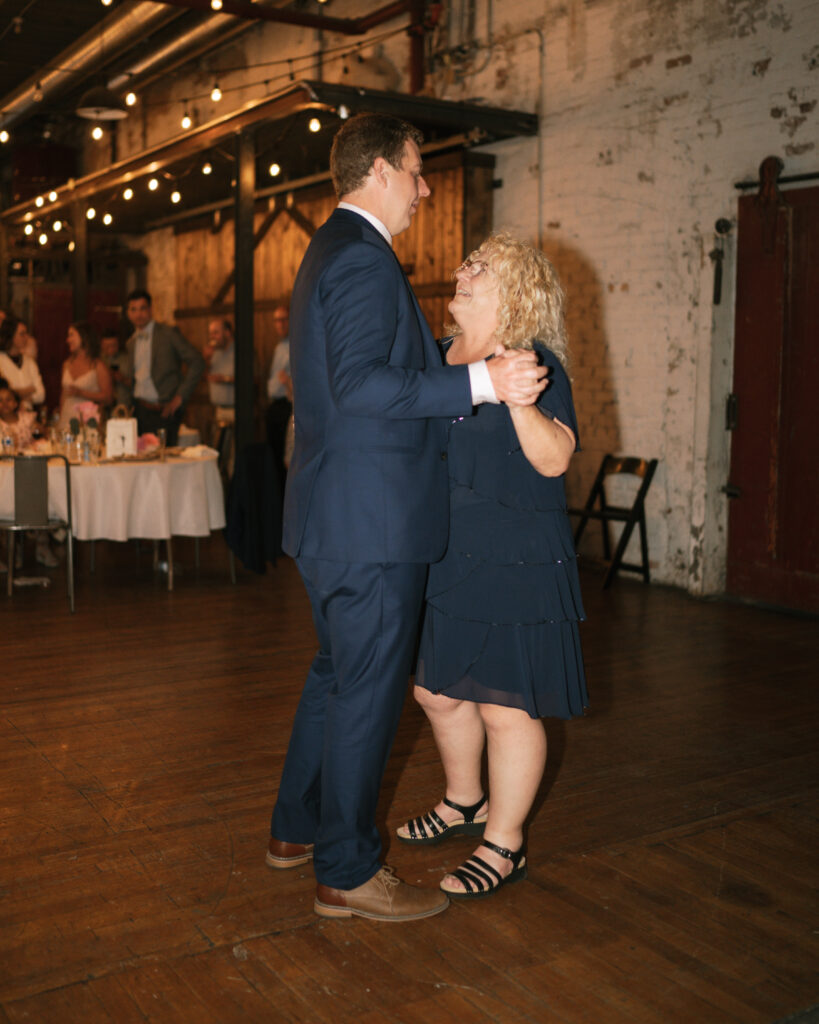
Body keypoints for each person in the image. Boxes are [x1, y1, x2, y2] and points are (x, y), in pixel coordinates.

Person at [267, 113, 548, 923]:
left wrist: (452, 362)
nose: (425, 188)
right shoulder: (361, 258)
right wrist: (481, 384)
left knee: (333, 679)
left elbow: (350, 380)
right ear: (382, 171)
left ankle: (294, 830)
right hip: (371, 527)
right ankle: (347, 872)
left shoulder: (332, 250)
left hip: (337, 515)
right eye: (419, 171)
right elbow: (359, 385)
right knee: (363, 695)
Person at [395, 233, 588, 899]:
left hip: (514, 555)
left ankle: (504, 843)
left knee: (506, 708)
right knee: (436, 691)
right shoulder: (439, 356)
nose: (460, 270)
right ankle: (463, 800)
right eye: (466, 262)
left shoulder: (533, 362)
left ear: (516, 288)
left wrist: (522, 404)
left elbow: (555, 459)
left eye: (479, 265)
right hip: (443, 549)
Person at [124, 289, 204, 446]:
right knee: (142, 464)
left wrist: (179, 398)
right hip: (140, 411)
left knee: (165, 464)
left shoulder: (168, 334)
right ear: (128, 313)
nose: (138, 314)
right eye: (133, 309)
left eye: (142, 308)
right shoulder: (131, 343)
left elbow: (197, 362)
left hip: (165, 410)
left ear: (151, 310)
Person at [0, 383, 57, 568]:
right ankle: (10, 553)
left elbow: (44, 433)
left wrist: (40, 433)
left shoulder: (27, 419)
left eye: (8, 399)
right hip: (5, 475)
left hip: (29, 472)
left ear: (16, 403)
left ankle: (42, 546)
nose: (4, 404)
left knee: (41, 498)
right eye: (0, 400)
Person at [58, 322, 113, 430]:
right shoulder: (67, 364)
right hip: (66, 418)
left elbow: (108, 397)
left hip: (87, 420)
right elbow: (63, 394)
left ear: (84, 336)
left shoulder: (97, 366)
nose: (68, 340)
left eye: (71, 335)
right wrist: (60, 417)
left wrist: (81, 393)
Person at [265, 306, 291, 480]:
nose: (280, 324)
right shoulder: (279, 347)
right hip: (274, 404)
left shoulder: (296, 344)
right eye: (276, 320)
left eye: (283, 319)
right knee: (273, 458)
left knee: (286, 458)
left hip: (287, 405)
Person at [0, 316, 45, 411]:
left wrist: (16, 394)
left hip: (28, 416)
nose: (26, 337)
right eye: (22, 334)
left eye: (26, 333)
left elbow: (41, 394)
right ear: (11, 335)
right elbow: (3, 394)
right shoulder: (1, 360)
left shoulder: (30, 362)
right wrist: (29, 390)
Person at [203, 318, 235, 431]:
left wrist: (225, 379)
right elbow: (205, 377)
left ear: (227, 333)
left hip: (235, 411)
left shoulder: (239, 351)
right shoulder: (214, 353)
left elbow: (252, 379)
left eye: (216, 333)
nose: (212, 337)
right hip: (219, 410)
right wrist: (206, 360)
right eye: (211, 333)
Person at [100, 329, 132, 411]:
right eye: (107, 346)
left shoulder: (127, 359)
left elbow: (137, 385)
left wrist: (123, 379)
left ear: (118, 344)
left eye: (113, 345)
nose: (110, 349)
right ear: (101, 345)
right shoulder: (98, 360)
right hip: (102, 405)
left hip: (123, 405)